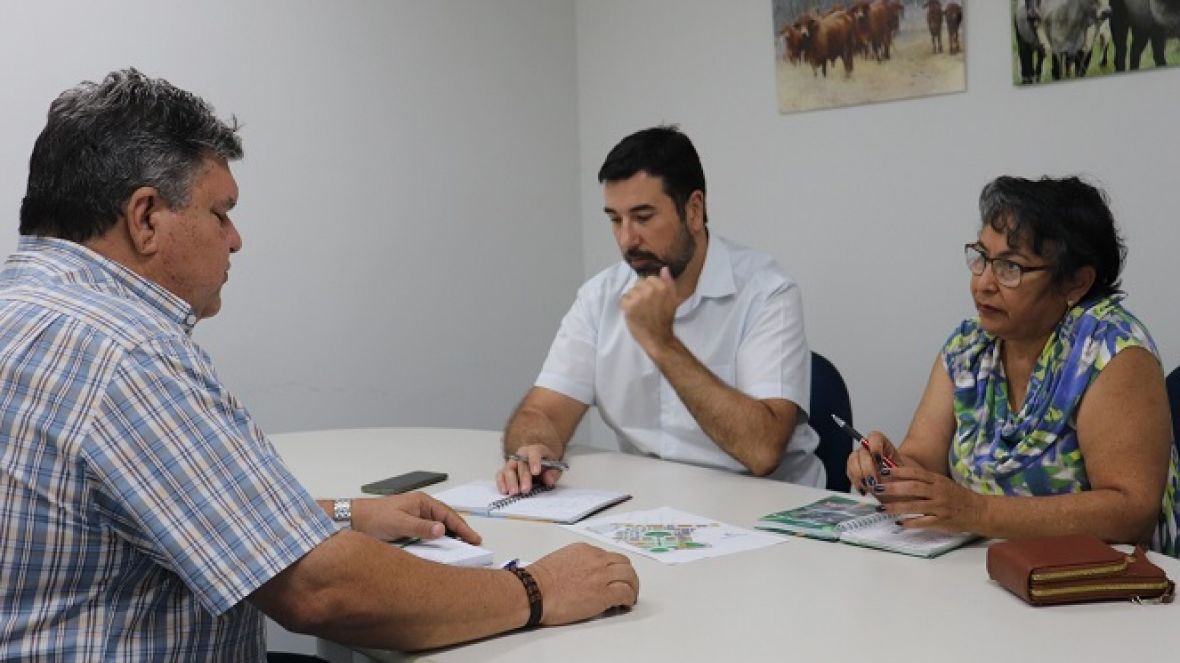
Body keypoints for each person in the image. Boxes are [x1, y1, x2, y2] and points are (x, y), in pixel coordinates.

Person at [0, 69, 638, 661]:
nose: (235, 238)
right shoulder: (126, 352)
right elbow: (321, 590)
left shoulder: (27, 310)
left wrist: (342, 514)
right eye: (220, 212)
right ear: (145, 218)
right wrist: (537, 590)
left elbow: (160, 509)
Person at [847, 175, 1179, 556]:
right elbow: (924, 458)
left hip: (1098, 584)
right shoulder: (968, 347)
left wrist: (977, 510)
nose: (983, 283)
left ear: (1076, 283)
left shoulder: (1111, 350)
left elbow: (1130, 510)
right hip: (982, 571)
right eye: (982, 258)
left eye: (1010, 267)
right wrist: (889, 467)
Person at [497, 126, 824, 495]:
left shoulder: (767, 293)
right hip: (653, 510)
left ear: (694, 210)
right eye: (615, 219)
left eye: (643, 217)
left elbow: (762, 451)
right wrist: (533, 449)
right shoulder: (599, 296)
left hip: (769, 511)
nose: (627, 239)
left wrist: (662, 342)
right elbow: (542, 413)